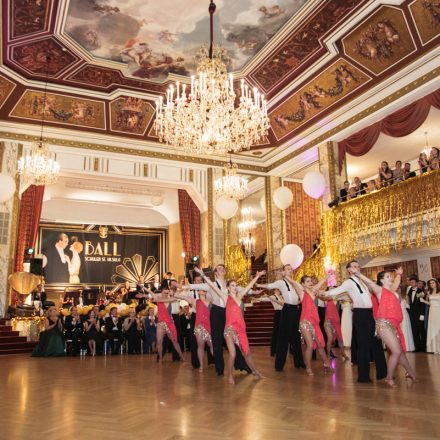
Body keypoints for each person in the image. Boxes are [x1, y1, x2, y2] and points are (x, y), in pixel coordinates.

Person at [195, 267, 264, 384]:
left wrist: (257, 276)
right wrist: (203, 274)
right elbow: (212, 286)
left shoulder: (240, 296)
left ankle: (256, 371)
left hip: (240, 329)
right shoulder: (225, 297)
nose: (235, 287)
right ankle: (230, 375)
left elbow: (248, 287)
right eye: (232, 285)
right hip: (229, 329)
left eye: (236, 285)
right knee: (232, 353)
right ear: (227, 288)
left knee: (247, 353)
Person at [323, 260, 387, 383]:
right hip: (360, 315)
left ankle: (382, 373)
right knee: (363, 346)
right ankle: (363, 376)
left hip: (369, 314)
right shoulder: (348, 282)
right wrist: (324, 293)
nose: (357, 268)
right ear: (349, 270)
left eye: (358, 266)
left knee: (376, 343)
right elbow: (336, 291)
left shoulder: (362, 281)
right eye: (354, 266)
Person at [353, 267, 416, 387]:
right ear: (381, 281)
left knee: (400, 352)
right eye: (387, 277)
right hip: (384, 324)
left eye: (390, 276)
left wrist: (398, 274)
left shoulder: (392, 291)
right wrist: (359, 274)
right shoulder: (379, 290)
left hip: (394, 325)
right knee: (397, 352)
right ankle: (389, 377)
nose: (390, 278)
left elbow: (396, 282)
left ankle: (411, 373)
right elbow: (370, 282)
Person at [189, 264, 251, 376]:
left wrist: (253, 292)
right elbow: (196, 286)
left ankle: (241, 364)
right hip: (217, 313)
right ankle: (220, 369)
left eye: (223, 268)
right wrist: (183, 286)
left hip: (228, 313)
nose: (222, 269)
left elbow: (242, 290)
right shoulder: (211, 284)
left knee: (233, 339)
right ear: (215, 273)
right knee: (216, 341)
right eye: (219, 268)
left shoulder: (230, 285)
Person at [257, 264, 305, 371]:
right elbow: (270, 286)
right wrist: (259, 284)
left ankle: (299, 362)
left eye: (291, 269)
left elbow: (302, 292)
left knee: (296, 337)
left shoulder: (295, 283)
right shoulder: (281, 282)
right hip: (287, 310)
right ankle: (279, 365)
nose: (290, 271)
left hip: (295, 310)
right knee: (283, 338)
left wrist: (299, 301)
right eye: (287, 269)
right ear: (283, 272)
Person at [287, 275, 333, 376]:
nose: (310, 283)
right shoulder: (302, 292)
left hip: (314, 322)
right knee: (310, 345)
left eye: (310, 281)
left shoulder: (313, 292)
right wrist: (286, 276)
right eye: (307, 282)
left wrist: (328, 275)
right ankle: (308, 367)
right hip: (305, 322)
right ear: (303, 284)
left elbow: (320, 282)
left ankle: (327, 364)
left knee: (320, 345)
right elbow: (294, 283)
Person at [175, 287, 214, 372]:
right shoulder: (195, 301)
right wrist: (180, 289)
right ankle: (201, 366)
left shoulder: (210, 301)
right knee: (200, 346)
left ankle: (217, 362)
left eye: (203, 289)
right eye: (199, 289)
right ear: (198, 292)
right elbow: (178, 296)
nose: (201, 290)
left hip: (208, 325)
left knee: (212, 345)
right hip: (199, 326)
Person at [151, 290, 185, 362]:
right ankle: (160, 358)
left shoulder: (170, 299)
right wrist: (143, 287)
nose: (165, 294)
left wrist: (177, 290)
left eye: (167, 293)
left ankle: (182, 356)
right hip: (161, 323)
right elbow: (151, 293)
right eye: (164, 292)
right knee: (159, 341)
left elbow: (176, 296)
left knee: (175, 341)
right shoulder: (158, 300)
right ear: (161, 293)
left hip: (169, 323)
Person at [259, 290, 283, 357]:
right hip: (278, 314)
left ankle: (279, 350)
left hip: (284, 314)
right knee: (275, 332)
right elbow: (265, 299)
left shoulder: (282, 296)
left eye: (279, 289)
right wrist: (257, 298)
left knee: (281, 333)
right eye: (277, 289)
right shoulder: (273, 296)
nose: (278, 291)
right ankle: (273, 351)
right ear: (275, 290)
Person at [407, 276, 426, 352]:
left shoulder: (420, 291)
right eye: (410, 282)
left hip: (419, 314)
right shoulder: (409, 291)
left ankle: (423, 347)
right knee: (414, 331)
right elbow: (409, 303)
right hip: (412, 314)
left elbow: (422, 304)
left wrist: (422, 314)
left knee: (421, 331)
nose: (411, 283)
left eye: (413, 282)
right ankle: (417, 347)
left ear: (416, 283)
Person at [421, 279, 440, 354]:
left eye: (433, 283)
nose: (432, 284)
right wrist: (423, 301)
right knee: (434, 329)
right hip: (432, 312)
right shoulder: (429, 292)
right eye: (430, 283)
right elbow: (430, 303)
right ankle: (436, 348)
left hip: (438, 311)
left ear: (436, 283)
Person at [399, 287, 415, 352]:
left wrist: (404, 304)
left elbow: (408, 306)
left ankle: (407, 346)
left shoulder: (405, 296)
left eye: (399, 288)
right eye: (397, 288)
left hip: (404, 313)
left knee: (405, 329)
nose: (398, 289)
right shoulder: (394, 295)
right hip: (397, 313)